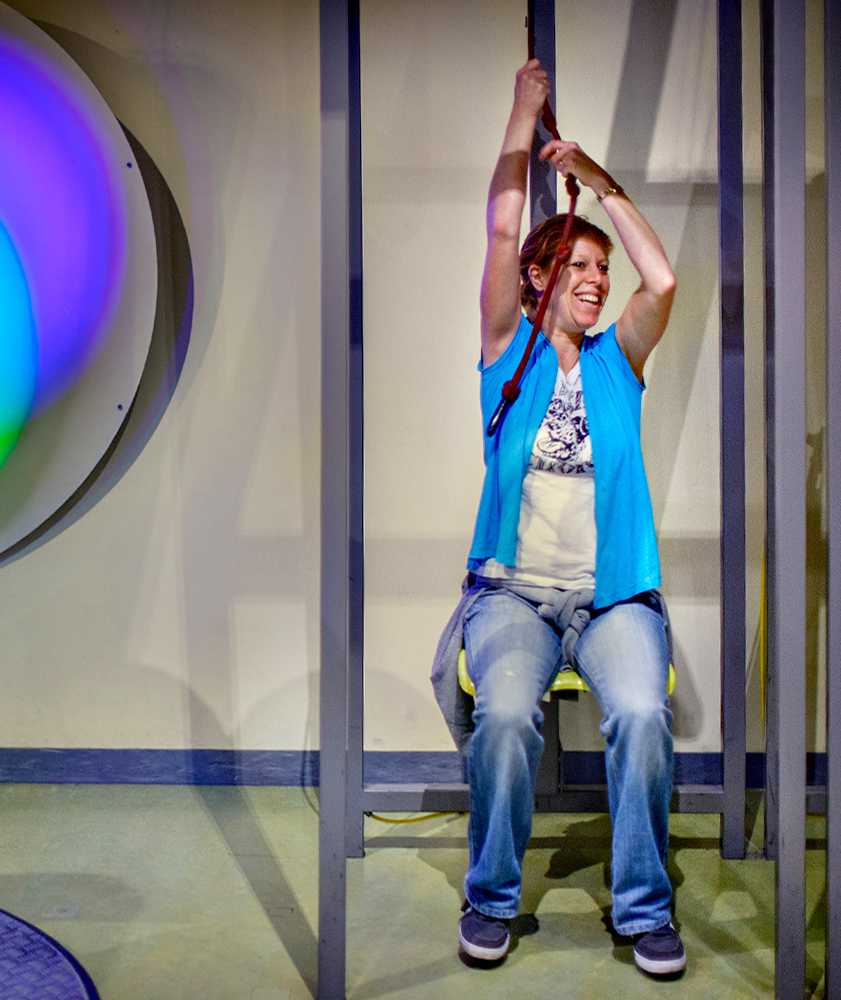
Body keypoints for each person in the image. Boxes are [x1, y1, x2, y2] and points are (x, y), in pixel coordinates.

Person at [445, 58, 682, 975]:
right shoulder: (508, 353)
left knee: (641, 713)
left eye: (598, 269)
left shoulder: (619, 361)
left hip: (614, 596)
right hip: (515, 595)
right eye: (577, 267)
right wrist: (522, 113)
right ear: (538, 277)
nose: (596, 281)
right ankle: (492, 900)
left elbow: (660, 281)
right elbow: (503, 220)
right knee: (503, 715)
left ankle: (643, 909)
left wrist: (605, 188)